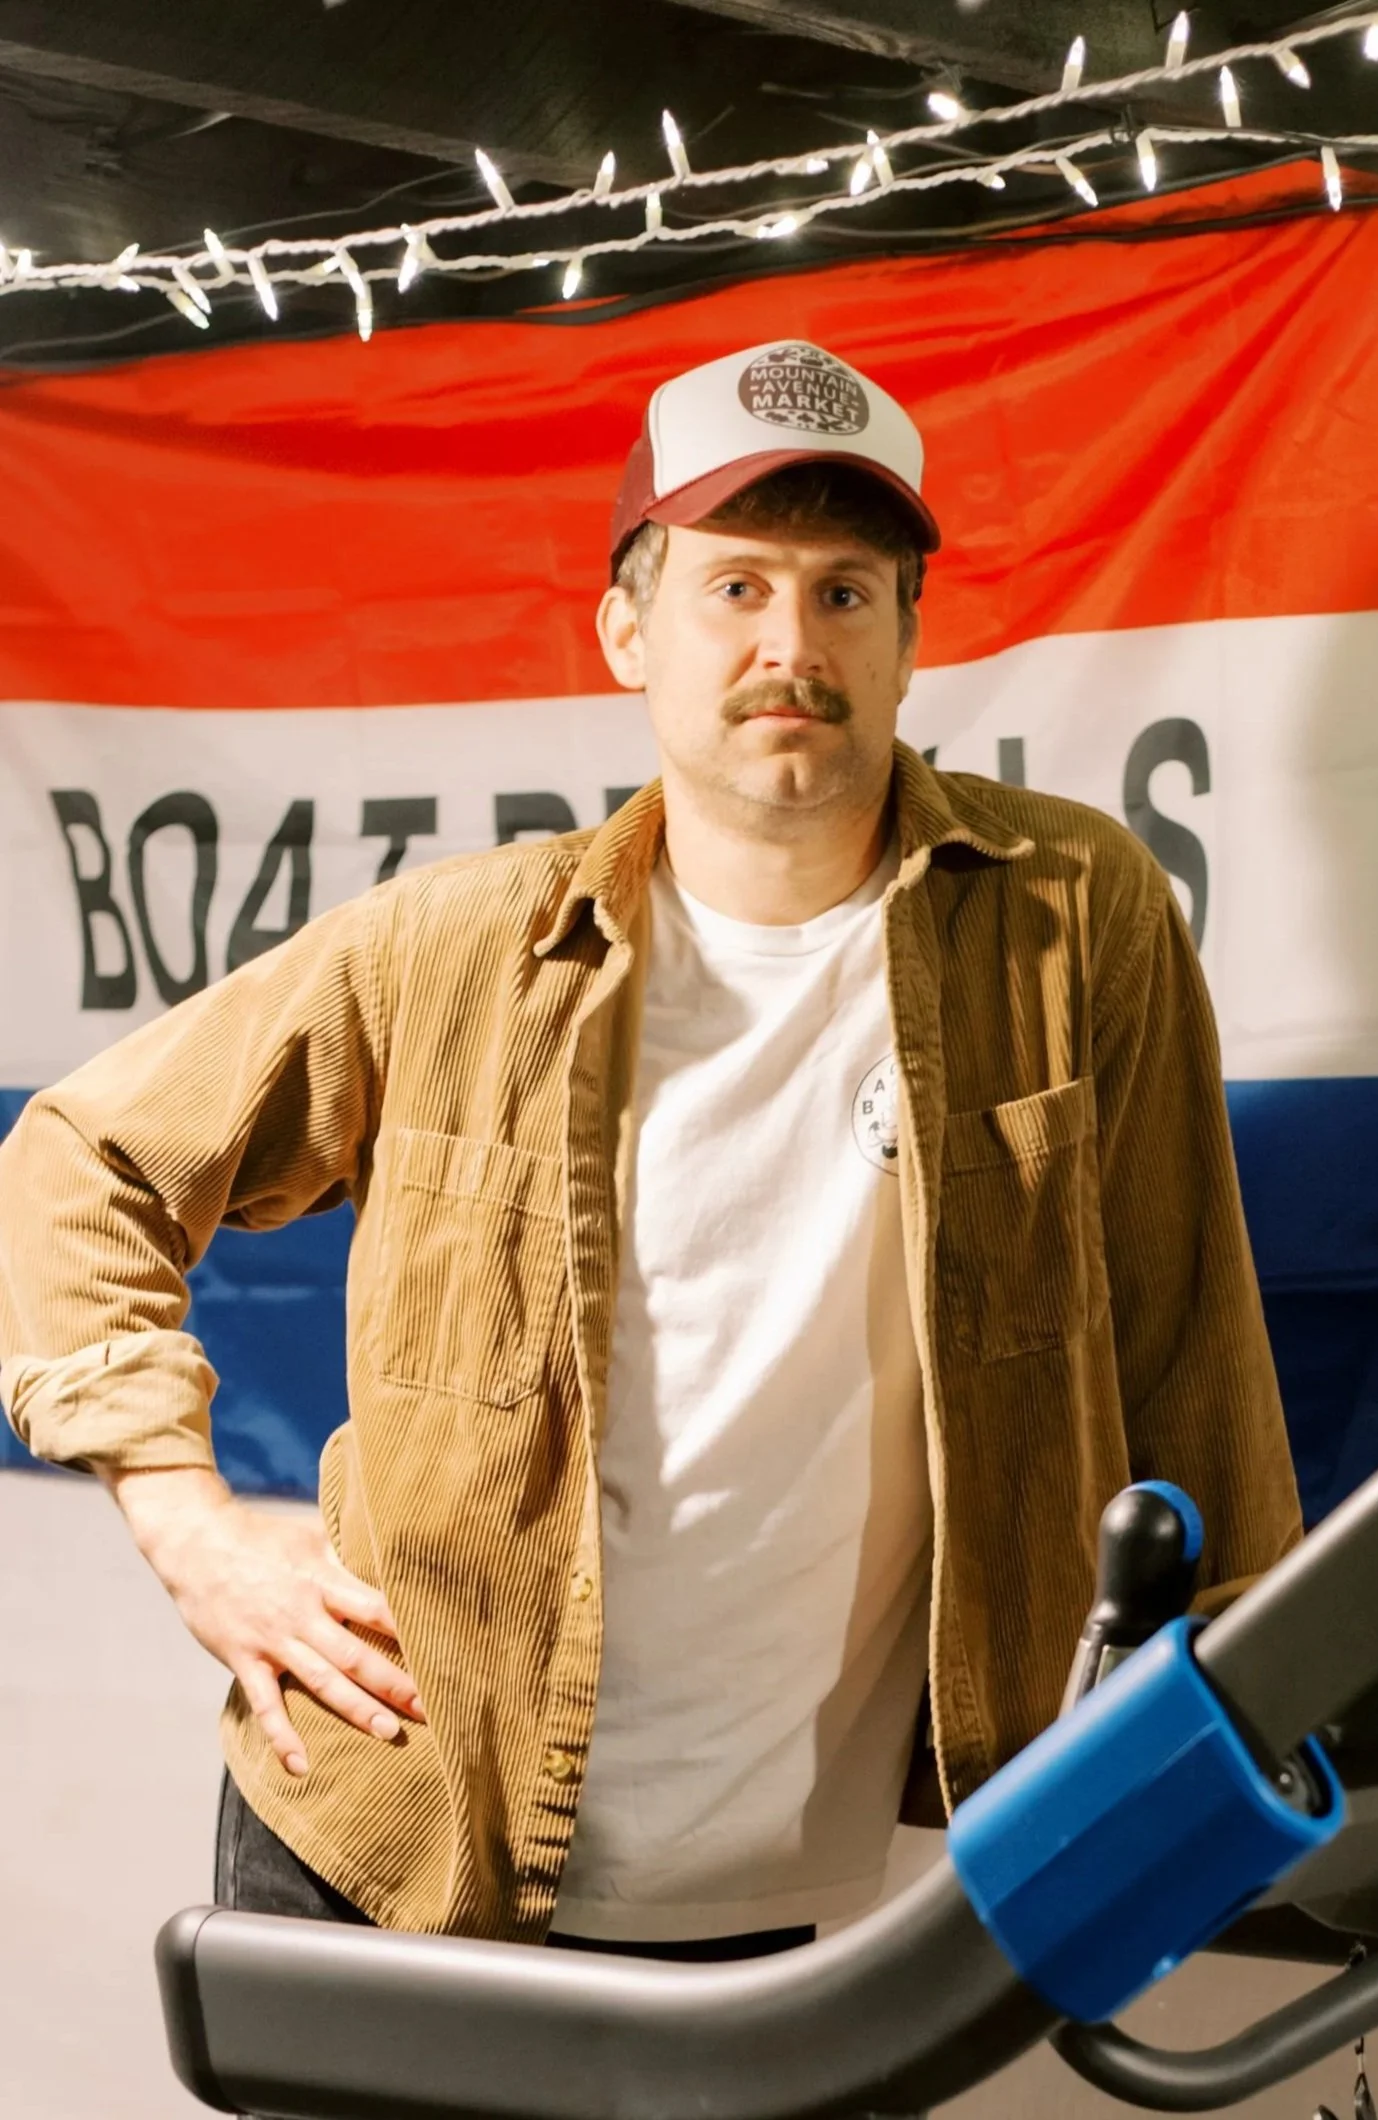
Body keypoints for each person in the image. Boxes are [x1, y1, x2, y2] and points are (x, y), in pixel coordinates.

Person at [0, 339, 1301, 1964]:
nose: (790, 645)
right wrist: (192, 1532)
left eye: (843, 593)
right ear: (628, 630)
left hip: (753, 1903)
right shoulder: (454, 951)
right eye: (734, 586)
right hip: (393, 1838)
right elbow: (80, 1159)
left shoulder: (1070, 918)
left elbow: (1189, 1351)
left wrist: (1244, 1734)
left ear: (910, 640)